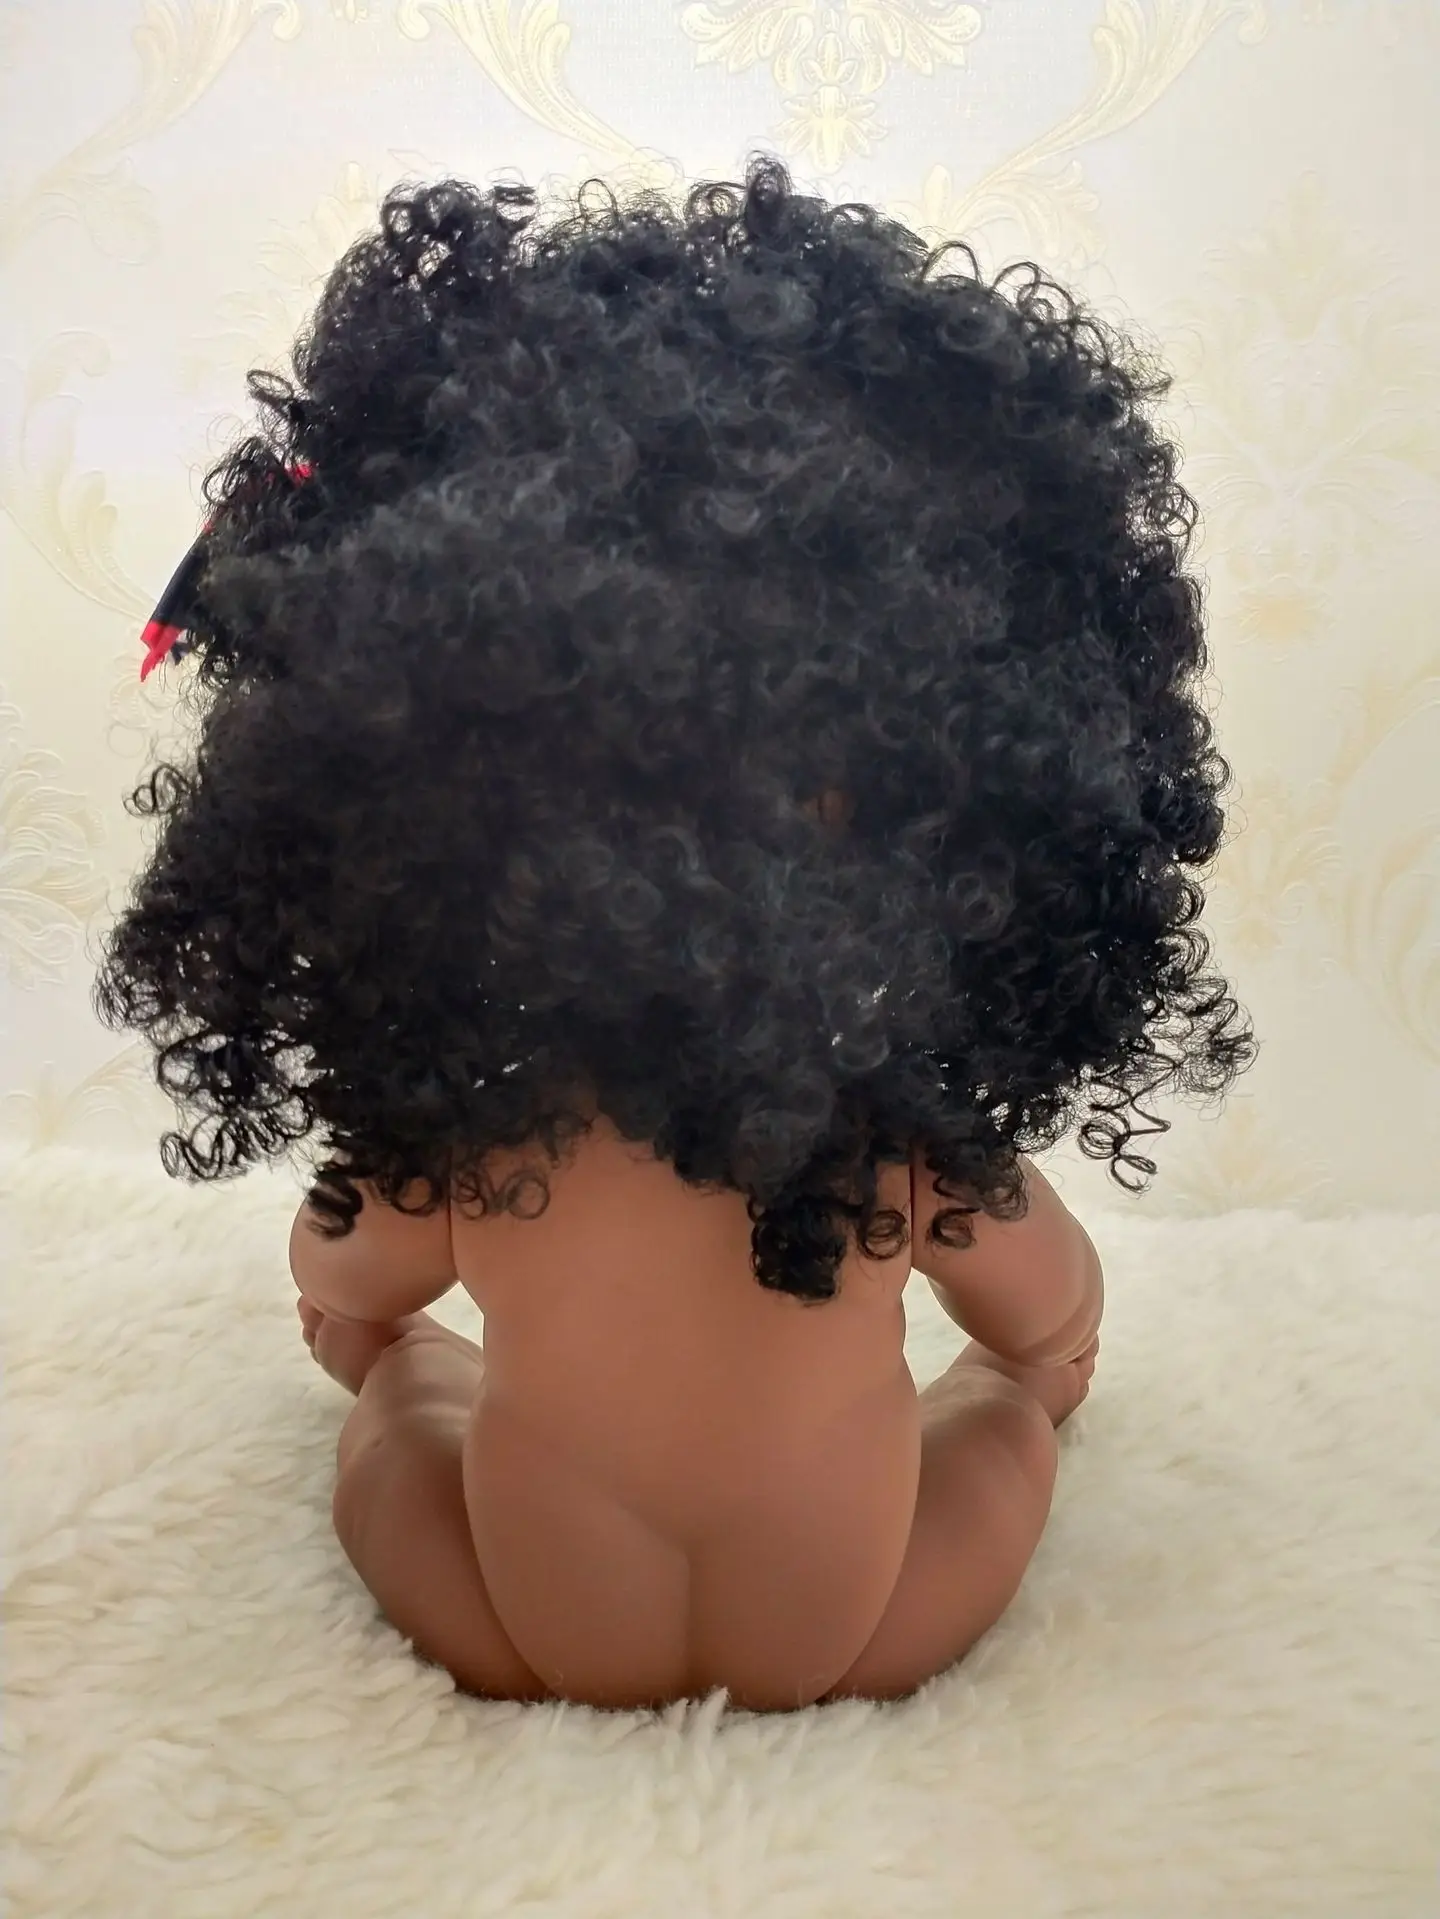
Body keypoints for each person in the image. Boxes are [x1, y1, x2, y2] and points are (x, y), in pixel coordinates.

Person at [98, 157, 1252, 1710]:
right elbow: (1051, 1295)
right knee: (1003, 1434)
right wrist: (1031, 1372)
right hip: (854, 1624)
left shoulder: (484, 1141)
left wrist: (374, 1339)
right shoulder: (899, 1145)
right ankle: (1009, 1429)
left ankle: (411, 1405)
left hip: (530, 1624)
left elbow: (343, 1268)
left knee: (394, 1433)